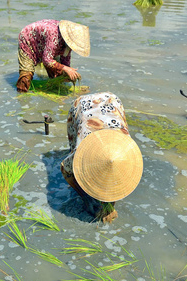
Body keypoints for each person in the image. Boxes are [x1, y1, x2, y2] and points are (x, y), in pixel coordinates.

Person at [61, 92, 143, 223]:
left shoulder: (127, 149)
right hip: (82, 108)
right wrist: (86, 199)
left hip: (111, 102)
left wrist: (110, 203)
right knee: (75, 151)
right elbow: (65, 169)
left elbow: (115, 176)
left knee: (108, 175)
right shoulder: (81, 151)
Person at [16, 19, 90, 92]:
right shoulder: (54, 35)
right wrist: (66, 68)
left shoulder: (67, 43)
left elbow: (65, 61)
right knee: (26, 75)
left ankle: (53, 89)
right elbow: (47, 60)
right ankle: (21, 96)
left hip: (44, 42)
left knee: (56, 70)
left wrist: (67, 73)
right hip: (28, 40)